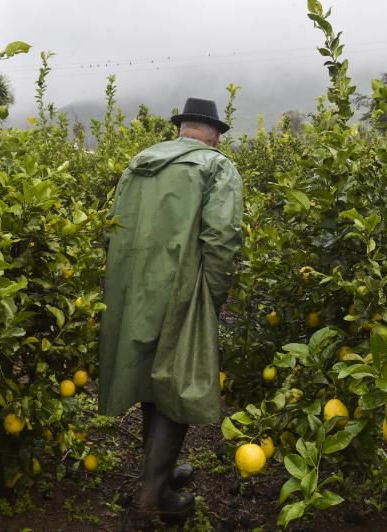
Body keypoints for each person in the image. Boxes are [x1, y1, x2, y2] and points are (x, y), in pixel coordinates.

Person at [98, 97, 243, 523]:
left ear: (182, 129)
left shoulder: (139, 163)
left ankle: (159, 476)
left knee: (151, 378)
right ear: (214, 133)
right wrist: (212, 296)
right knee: (177, 385)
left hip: (131, 286)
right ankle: (149, 498)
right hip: (183, 287)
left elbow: (111, 224)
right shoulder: (217, 167)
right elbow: (222, 238)